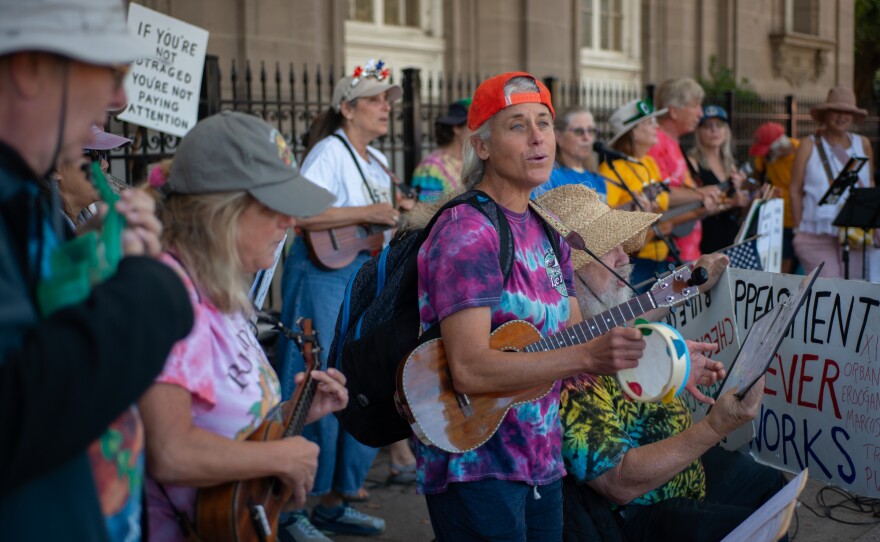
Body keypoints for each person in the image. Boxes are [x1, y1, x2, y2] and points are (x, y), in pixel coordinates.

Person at [415, 71, 650, 542]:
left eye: (543, 121)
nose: (539, 136)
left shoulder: (547, 229)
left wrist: (668, 352)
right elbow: (469, 370)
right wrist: (586, 357)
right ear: (481, 146)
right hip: (477, 462)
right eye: (517, 125)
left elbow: (580, 335)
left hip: (542, 456)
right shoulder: (468, 232)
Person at [0, 1, 195, 540]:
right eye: (107, 72)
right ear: (30, 67)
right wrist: (151, 291)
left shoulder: (25, 196)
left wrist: (100, 259)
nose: (119, 99)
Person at [138, 111, 348, 542]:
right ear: (223, 211)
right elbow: (170, 453)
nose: (290, 223)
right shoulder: (168, 293)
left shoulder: (219, 292)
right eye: (274, 208)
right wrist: (278, 456)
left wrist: (295, 415)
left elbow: (227, 428)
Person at [535, 184, 786, 542]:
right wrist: (716, 427)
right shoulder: (567, 369)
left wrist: (673, 368)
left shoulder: (600, 322)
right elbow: (618, 482)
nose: (626, 258)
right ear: (570, 274)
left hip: (682, 476)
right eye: (611, 247)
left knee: (770, 486)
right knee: (755, 526)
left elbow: (641, 309)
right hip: (642, 512)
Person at [277, 58, 416, 541]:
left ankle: (335, 499)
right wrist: (371, 211)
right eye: (376, 100)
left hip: (355, 278)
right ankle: (289, 508)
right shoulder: (329, 153)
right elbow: (301, 214)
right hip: (322, 276)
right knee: (312, 377)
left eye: (387, 101)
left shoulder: (376, 161)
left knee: (352, 378)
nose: (385, 109)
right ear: (347, 108)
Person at [790, 86, 877, 280]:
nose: (841, 116)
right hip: (815, 233)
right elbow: (795, 189)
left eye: (847, 112)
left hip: (854, 234)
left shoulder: (863, 144)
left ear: (853, 116)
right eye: (836, 111)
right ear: (826, 114)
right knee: (830, 289)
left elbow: (869, 182)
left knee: (854, 291)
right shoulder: (809, 145)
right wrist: (798, 227)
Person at [598, 99, 673, 287]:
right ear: (633, 133)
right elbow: (604, 215)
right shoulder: (611, 169)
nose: (655, 126)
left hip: (659, 255)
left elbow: (662, 205)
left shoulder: (649, 163)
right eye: (648, 123)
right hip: (632, 260)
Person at [649, 77, 723, 262]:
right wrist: (701, 195)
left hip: (686, 252)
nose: (700, 113)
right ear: (673, 111)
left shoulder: (673, 141)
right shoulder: (656, 142)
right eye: (695, 105)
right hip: (666, 258)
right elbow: (656, 194)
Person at [687, 105, 751, 254]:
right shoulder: (693, 163)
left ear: (726, 130)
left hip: (731, 240)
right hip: (706, 241)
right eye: (707, 126)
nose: (714, 130)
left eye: (719, 125)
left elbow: (740, 210)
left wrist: (746, 195)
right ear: (698, 132)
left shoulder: (731, 165)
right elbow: (695, 208)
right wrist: (732, 202)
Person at [54, 125, 131, 228]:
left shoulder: (84, 220)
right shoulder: (39, 230)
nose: (105, 164)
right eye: (95, 154)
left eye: (102, 153)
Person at [750, 122, 800, 273]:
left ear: (781, 145)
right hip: (777, 219)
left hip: (800, 220)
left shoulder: (800, 152)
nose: (766, 154)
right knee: (779, 267)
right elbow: (755, 178)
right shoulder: (766, 158)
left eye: (768, 150)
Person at [532, 106, 608, 202]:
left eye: (591, 131)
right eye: (579, 131)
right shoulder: (548, 177)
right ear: (558, 137)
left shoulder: (598, 179)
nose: (586, 137)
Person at [411, 98, 470, 202]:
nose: (480, 131)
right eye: (474, 125)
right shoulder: (431, 168)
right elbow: (426, 212)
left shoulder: (473, 162)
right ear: (457, 128)